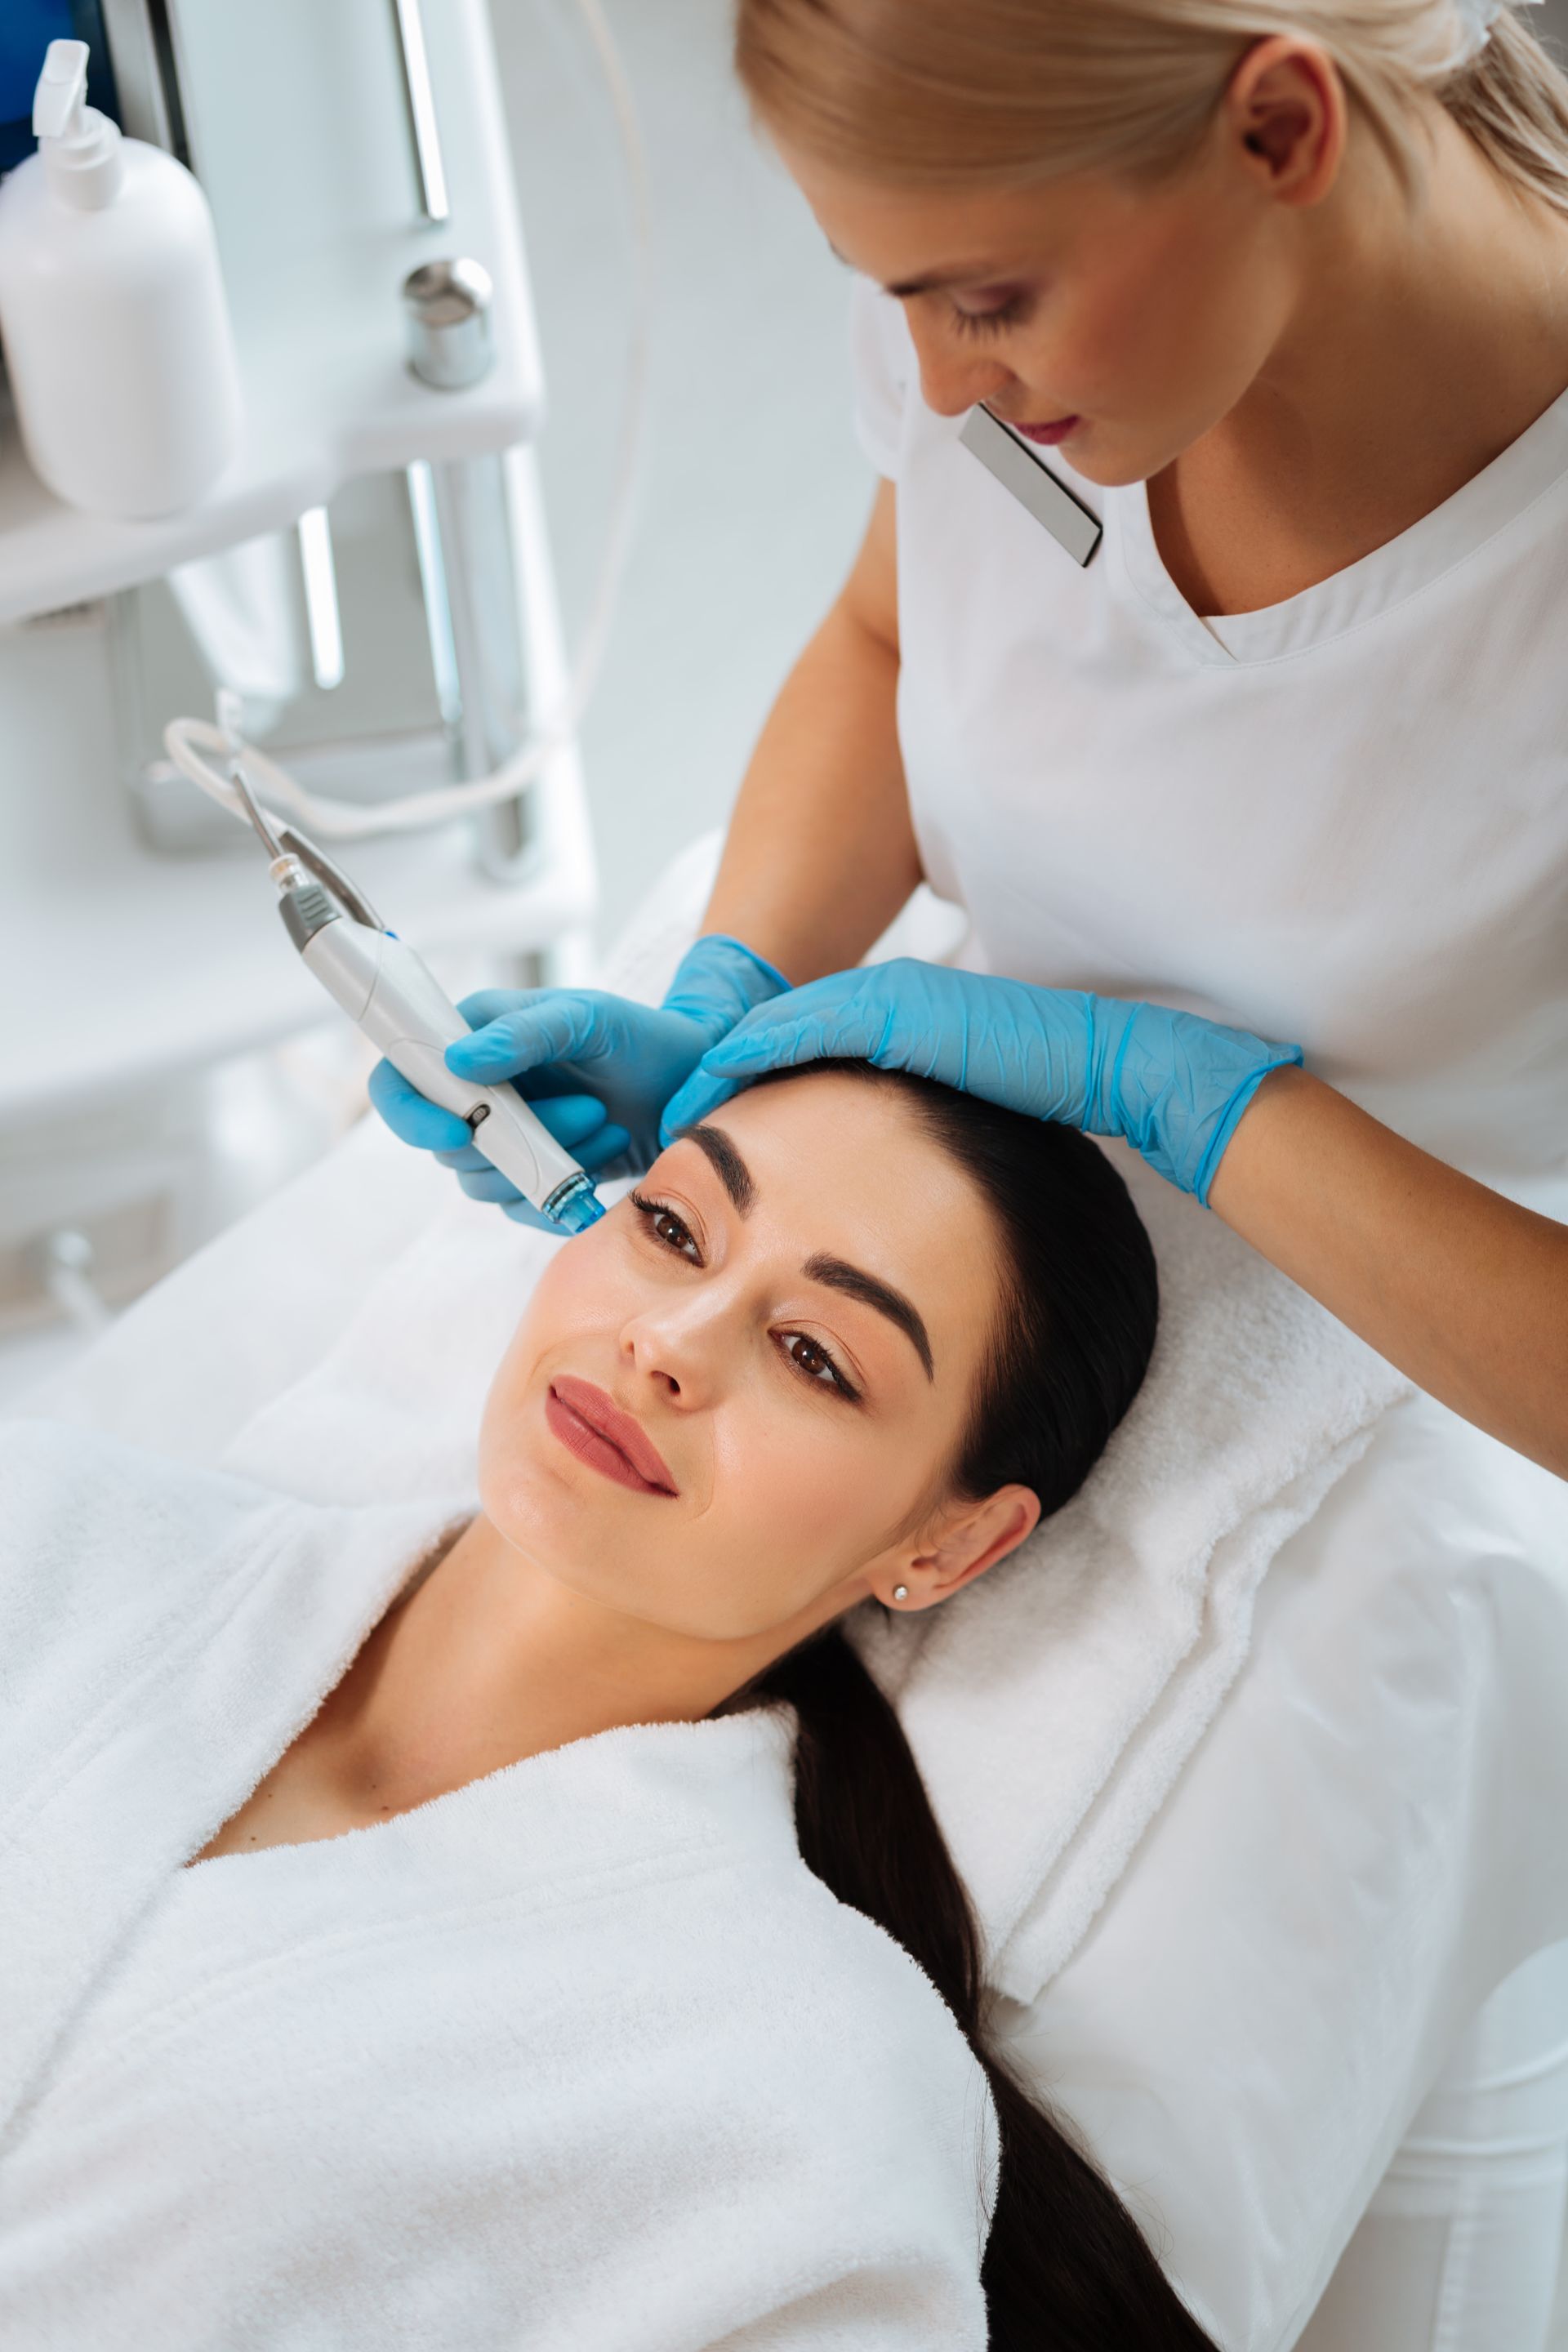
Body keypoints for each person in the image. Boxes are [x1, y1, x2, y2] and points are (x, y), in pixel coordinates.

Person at [372, 0, 1568, 1477]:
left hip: (1413, 1370)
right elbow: (890, 634)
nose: (938, 383)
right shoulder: (1013, 312)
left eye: (987, 303)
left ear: (1281, 131)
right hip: (962, 1192)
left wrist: (1192, 1101)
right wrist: (734, 992)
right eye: (894, 295)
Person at [0, 1065, 1225, 2351]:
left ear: (951, 1542)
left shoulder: (809, 2079)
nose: (671, 1342)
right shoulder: (46, 1525)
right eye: (674, 1228)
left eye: (814, 1355)